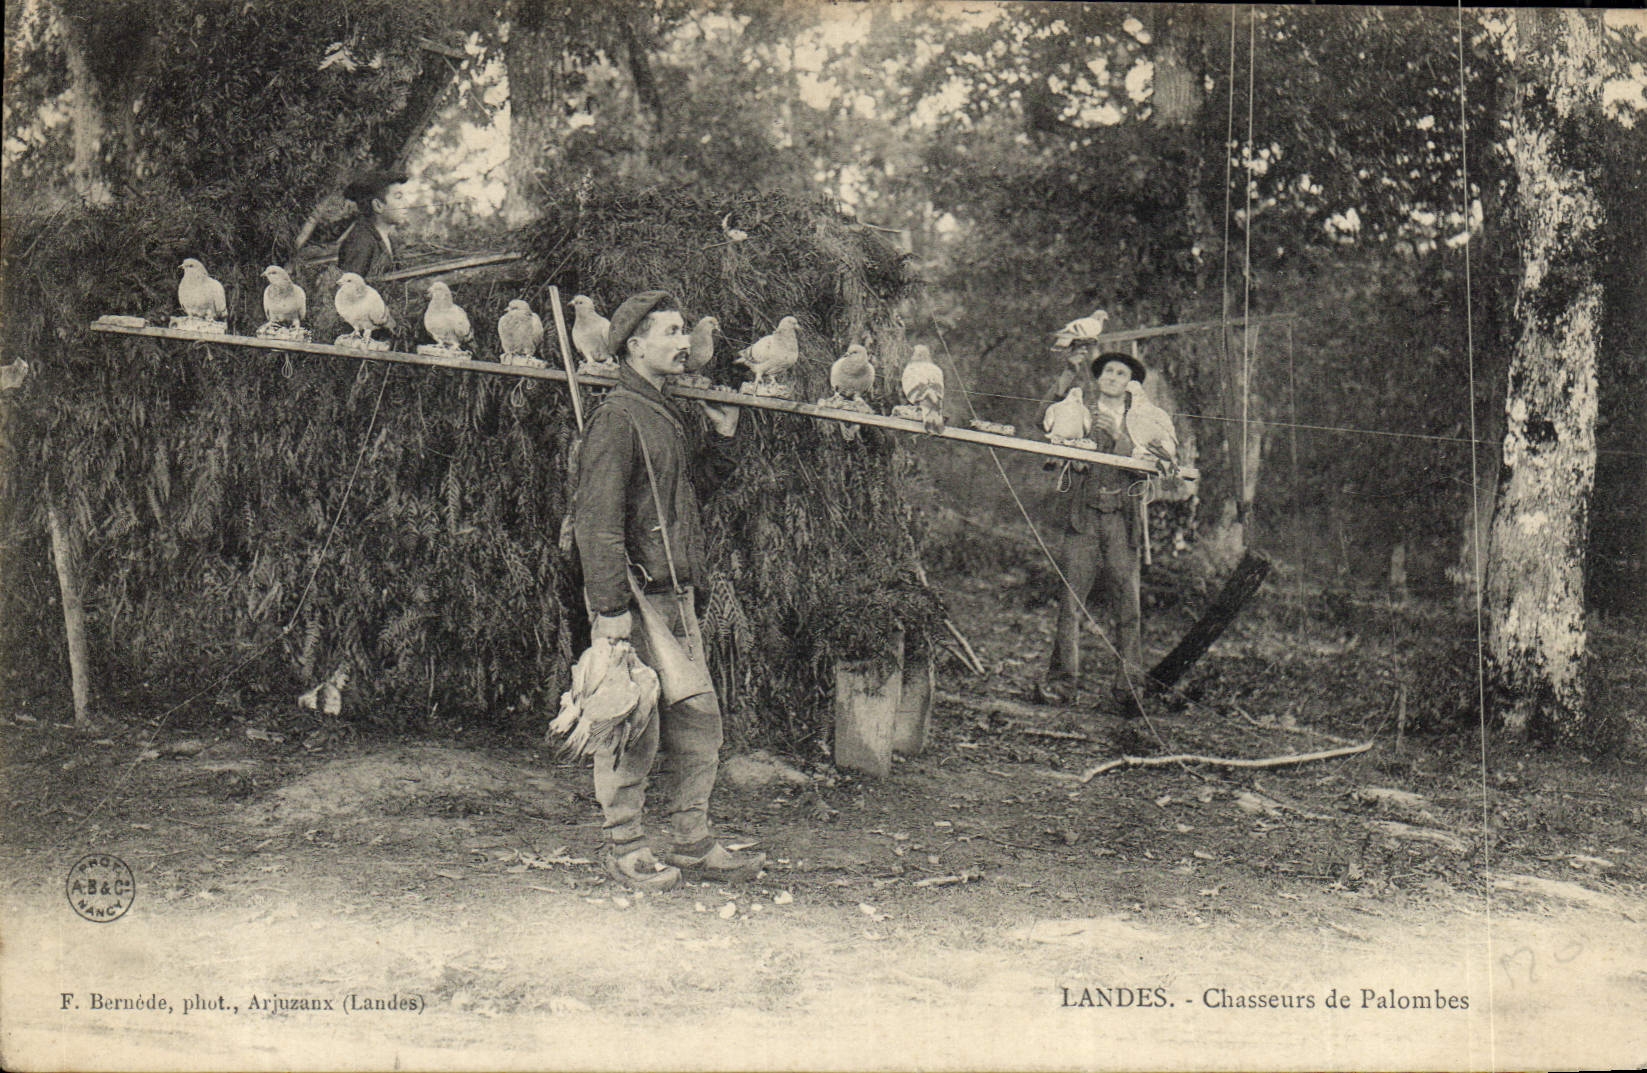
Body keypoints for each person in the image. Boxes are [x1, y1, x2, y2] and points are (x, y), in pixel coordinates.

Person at [570, 291, 765, 892]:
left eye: (685, 331)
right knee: (633, 725)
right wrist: (609, 612)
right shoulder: (617, 417)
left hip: (676, 596)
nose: (686, 343)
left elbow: (679, 499)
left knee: (699, 720)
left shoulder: (662, 413)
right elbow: (595, 522)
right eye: (673, 332)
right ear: (636, 345)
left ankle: (692, 842)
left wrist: (727, 442)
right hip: (634, 599)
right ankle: (624, 844)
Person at [1034, 343, 1159, 720]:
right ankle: (1061, 684)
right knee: (1071, 601)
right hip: (1084, 518)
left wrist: (1120, 438)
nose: (1113, 378)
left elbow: (1151, 463)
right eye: (1107, 372)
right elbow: (1044, 420)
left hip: (1122, 520)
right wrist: (1066, 375)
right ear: (1099, 378)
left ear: (1130, 383)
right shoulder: (1081, 409)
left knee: (1128, 605)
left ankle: (1128, 690)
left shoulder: (1142, 417)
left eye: (1122, 374)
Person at [337, 169, 411, 279]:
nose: (406, 204)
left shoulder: (387, 237)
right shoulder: (360, 241)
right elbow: (349, 288)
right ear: (378, 205)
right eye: (398, 197)